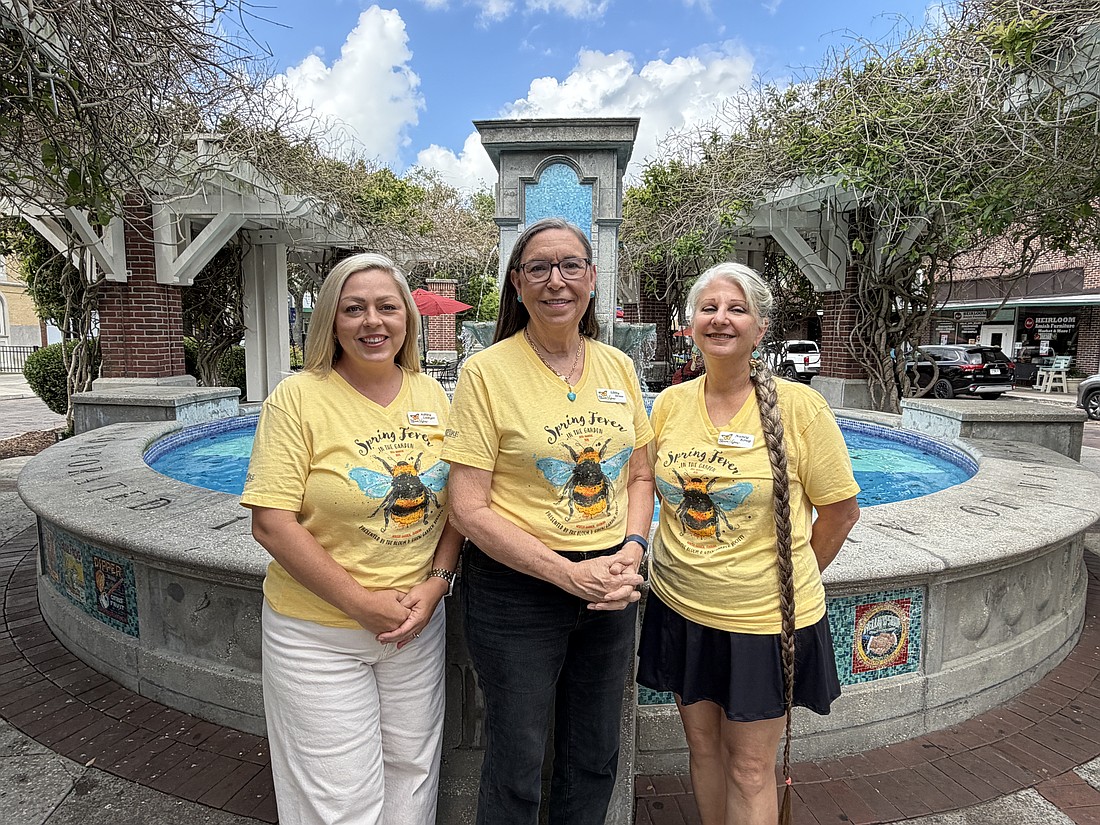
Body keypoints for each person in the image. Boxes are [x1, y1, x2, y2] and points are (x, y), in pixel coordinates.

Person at [443, 217, 655, 825]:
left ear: (592, 279)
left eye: (569, 266)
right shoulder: (486, 373)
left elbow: (640, 477)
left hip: (611, 584)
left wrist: (633, 552)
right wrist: (566, 574)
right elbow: (468, 506)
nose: (555, 281)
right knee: (516, 761)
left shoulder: (618, 367)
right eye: (538, 268)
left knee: (593, 754)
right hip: (517, 591)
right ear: (516, 284)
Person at [240, 252, 463, 825]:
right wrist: (361, 603)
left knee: (412, 775)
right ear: (331, 321)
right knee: (337, 800)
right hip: (318, 634)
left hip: (415, 626)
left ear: (408, 318)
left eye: (387, 307)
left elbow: (459, 506)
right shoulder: (298, 398)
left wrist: (438, 583)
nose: (373, 322)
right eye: (354, 308)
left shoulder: (434, 397)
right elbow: (271, 520)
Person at [637, 262, 860, 825]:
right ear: (689, 325)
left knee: (751, 770)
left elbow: (839, 513)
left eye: (736, 309)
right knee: (704, 750)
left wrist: (773, 579)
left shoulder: (800, 409)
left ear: (761, 328)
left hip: (762, 625)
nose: (721, 319)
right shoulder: (669, 405)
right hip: (681, 609)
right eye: (708, 309)